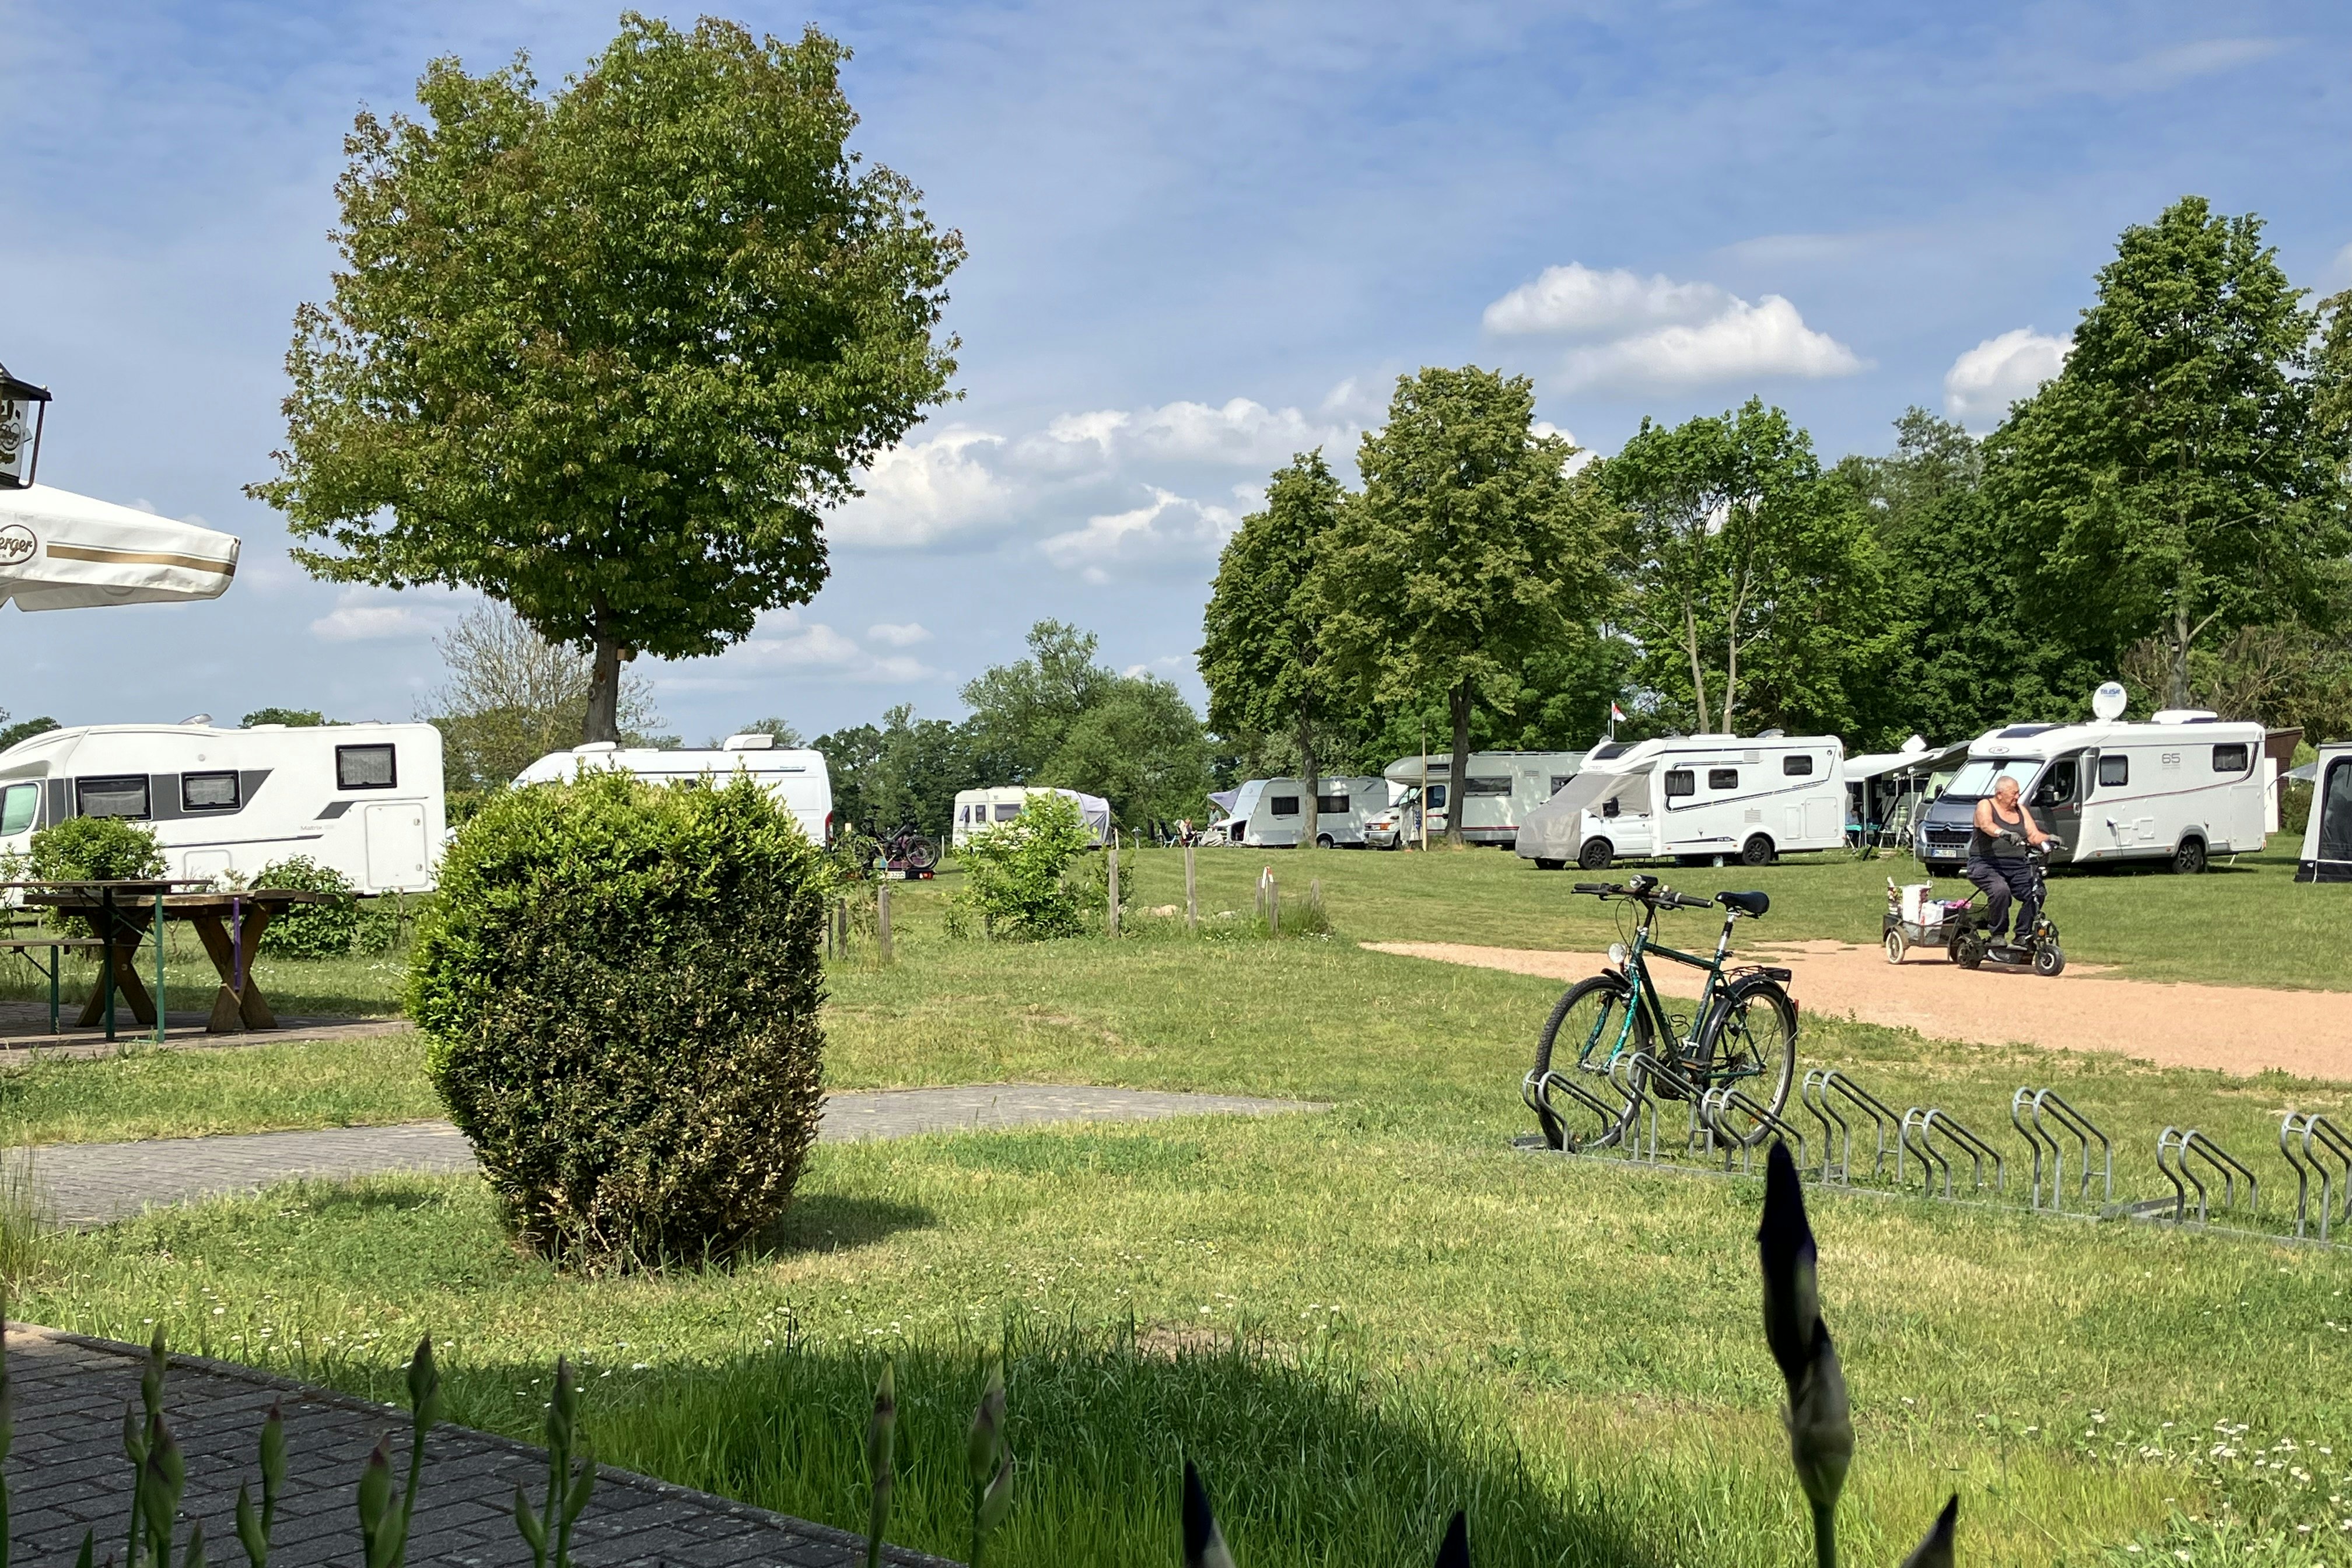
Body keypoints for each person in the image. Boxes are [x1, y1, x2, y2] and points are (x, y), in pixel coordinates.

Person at [1966, 774, 2054, 945]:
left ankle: (2023, 934)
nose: (2017, 797)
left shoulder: (2021, 810)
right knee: (2001, 891)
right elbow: (1986, 825)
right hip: (1985, 863)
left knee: (2037, 893)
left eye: (2018, 793)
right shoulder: (1986, 805)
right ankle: (1997, 934)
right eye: (2013, 793)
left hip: (2017, 865)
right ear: (1999, 794)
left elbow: (2033, 835)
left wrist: (2050, 838)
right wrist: (2004, 833)